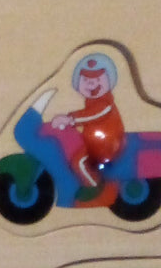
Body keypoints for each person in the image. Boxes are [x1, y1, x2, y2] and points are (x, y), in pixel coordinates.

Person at [50, 52, 125, 202]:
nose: (91, 84)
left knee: (79, 162)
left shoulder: (105, 103)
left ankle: (94, 187)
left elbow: (95, 114)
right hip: (93, 141)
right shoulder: (91, 101)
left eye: (97, 79)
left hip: (106, 143)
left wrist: (70, 119)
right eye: (85, 79)